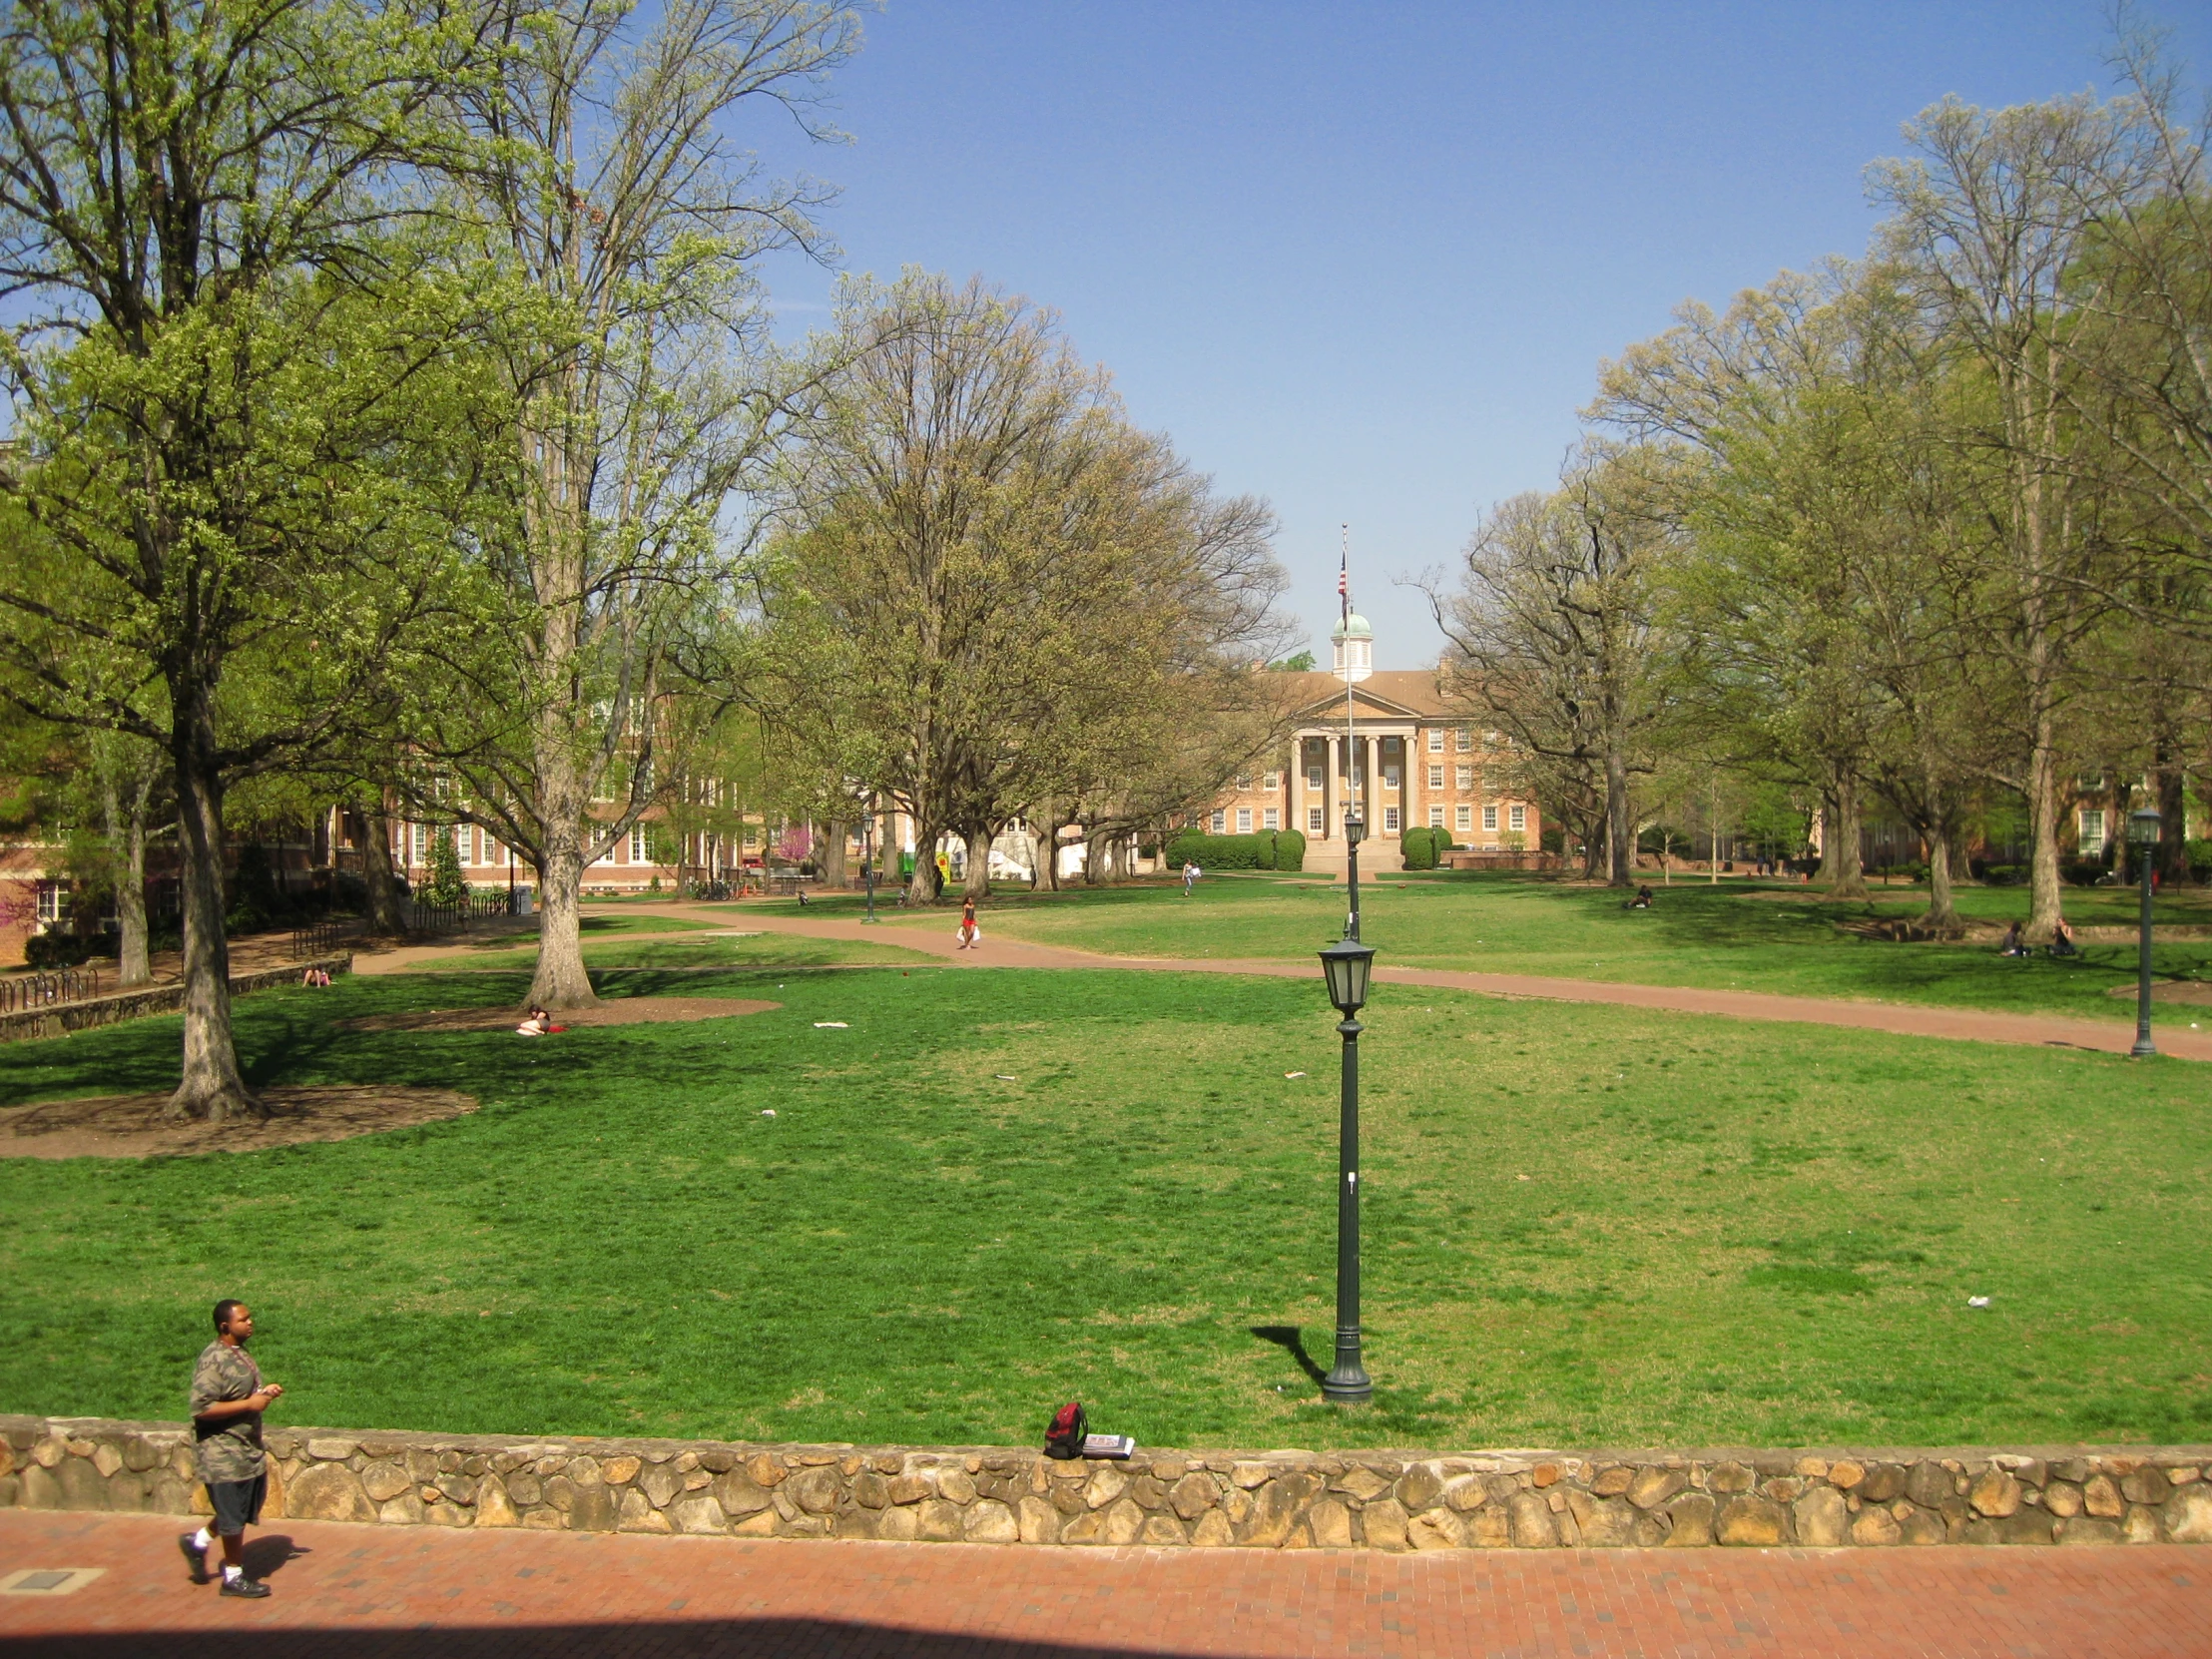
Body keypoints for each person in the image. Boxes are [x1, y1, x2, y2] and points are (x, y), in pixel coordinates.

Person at [180, 1301, 281, 1598]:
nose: (250, 1323)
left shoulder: (238, 1353)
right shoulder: (213, 1360)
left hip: (246, 1449)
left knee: (237, 1511)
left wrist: (262, 1394)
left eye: (250, 1317)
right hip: (222, 1454)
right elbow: (201, 1408)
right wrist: (250, 1404)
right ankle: (233, 1577)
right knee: (232, 1517)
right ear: (225, 1326)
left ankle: (197, 1541)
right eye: (243, 1320)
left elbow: (237, 1393)